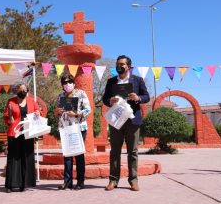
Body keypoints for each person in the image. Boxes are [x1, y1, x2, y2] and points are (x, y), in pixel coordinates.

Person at [102, 55, 150, 191]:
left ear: (129, 66)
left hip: (132, 120)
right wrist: (109, 101)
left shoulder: (138, 80)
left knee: (133, 152)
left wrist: (138, 97)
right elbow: (105, 98)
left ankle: (133, 180)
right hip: (116, 120)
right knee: (115, 151)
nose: (119, 66)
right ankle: (113, 180)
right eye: (118, 64)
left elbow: (146, 96)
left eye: (122, 64)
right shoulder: (111, 81)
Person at [54, 73, 91, 190]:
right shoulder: (60, 96)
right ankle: (67, 181)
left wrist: (76, 114)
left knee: (79, 155)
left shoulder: (81, 93)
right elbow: (58, 112)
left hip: (79, 128)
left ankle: (80, 182)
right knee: (67, 155)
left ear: (74, 83)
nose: (67, 84)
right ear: (62, 85)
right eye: (64, 82)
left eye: (69, 82)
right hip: (65, 129)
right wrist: (57, 112)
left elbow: (88, 110)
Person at [3, 81, 40, 193]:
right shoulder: (11, 101)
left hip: (28, 132)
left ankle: (25, 184)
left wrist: (38, 112)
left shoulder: (31, 101)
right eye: (21, 90)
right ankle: (11, 184)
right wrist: (9, 120)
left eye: (25, 90)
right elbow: (5, 117)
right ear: (16, 91)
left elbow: (38, 111)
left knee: (26, 158)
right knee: (13, 158)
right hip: (14, 133)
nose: (24, 92)